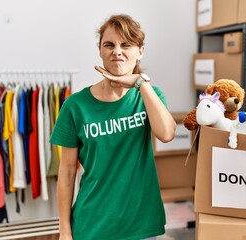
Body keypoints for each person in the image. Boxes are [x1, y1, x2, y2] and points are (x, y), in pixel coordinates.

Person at [50, 14, 176, 240]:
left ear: (140, 51)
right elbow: (67, 171)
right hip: (92, 226)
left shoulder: (150, 97)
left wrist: (140, 83)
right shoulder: (75, 106)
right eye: (109, 44)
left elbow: (166, 134)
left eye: (126, 44)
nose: (117, 51)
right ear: (100, 50)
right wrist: (65, 231)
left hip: (141, 225)